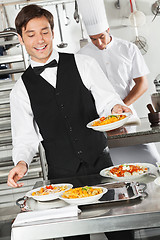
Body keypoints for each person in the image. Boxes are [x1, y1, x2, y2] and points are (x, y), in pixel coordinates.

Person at [7, 4, 133, 240]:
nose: (40, 40)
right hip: (61, 179)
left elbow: (107, 102)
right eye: (31, 34)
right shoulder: (20, 90)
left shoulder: (84, 64)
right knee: (74, 237)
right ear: (22, 39)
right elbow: (25, 137)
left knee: (121, 232)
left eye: (44, 31)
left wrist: (115, 108)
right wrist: (21, 162)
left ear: (53, 33)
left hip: (102, 168)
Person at [77, 0, 160, 165]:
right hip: (101, 123)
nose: (99, 43)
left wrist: (120, 106)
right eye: (93, 39)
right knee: (112, 168)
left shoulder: (128, 48)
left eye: (101, 37)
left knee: (151, 161)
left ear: (108, 30)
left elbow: (142, 83)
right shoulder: (81, 57)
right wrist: (107, 113)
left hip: (128, 118)